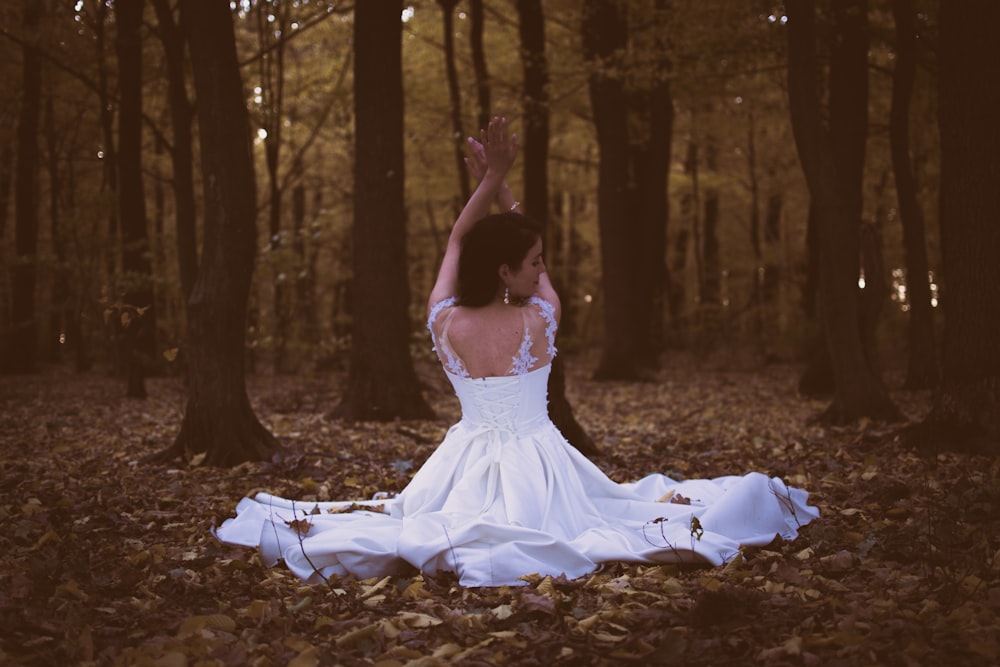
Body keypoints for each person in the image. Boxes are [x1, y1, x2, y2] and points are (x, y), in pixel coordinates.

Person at [215, 117, 818, 587]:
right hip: (541, 463)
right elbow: (502, 248)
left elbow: (458, 240)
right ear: (507, 271)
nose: (541, 268)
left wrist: (487, 182)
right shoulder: (539, 318)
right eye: (533, 262)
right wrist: (502, 185)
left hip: (461, 460)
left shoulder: (443, 318)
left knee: (416, 519)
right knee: (608, 523)